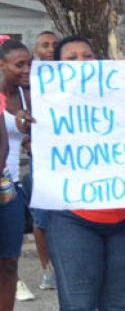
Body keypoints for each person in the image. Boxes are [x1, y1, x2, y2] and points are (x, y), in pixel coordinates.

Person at [16, 35, 125, 311]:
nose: (81, 62)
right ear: (57, 67)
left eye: (87, 55)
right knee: (76, 310)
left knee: (119, 310)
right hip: (72, 220)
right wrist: (25, 123)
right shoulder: (44, 105)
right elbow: (21, 125)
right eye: (71, 57)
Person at [0, 40, 34, 311]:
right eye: (18, 65)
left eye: (29, 63)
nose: (26, 70)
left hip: (9, 190)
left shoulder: (31, 95)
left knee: (9, 264)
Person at [25, 30, 59, 290]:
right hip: (42, 158)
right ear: (35, 50)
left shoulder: (71, 81)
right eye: (44, 45)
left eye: (54, 45)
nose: (49, 49)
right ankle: (47, 268)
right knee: (43, 218)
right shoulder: (27, 85)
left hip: (74, 157)